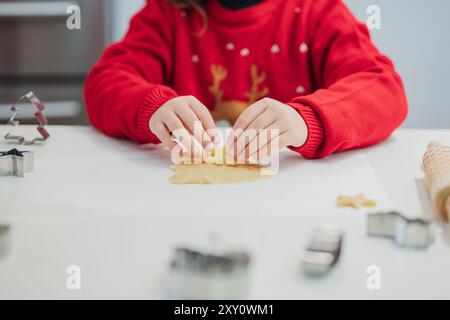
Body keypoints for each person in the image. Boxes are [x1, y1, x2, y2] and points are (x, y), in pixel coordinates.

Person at [84, 0, 408, 161]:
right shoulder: (167, 13)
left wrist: (307, 120)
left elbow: (384, 90)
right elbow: (106, 81)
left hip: (289, 205)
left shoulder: (317, 11)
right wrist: (151, 107)